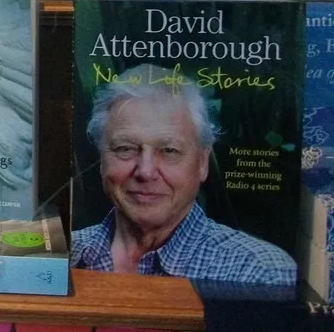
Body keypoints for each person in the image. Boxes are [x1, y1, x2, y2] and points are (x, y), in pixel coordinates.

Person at [72, 69, 297, 285]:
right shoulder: (64, 253)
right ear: (101, 158)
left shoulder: (259, 272)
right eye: (125, 148)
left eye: (169, 151)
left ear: (202, 162)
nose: (145, 172)